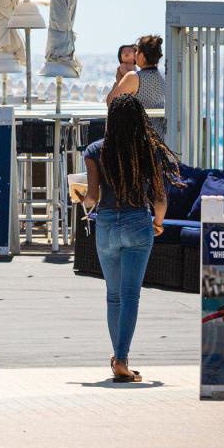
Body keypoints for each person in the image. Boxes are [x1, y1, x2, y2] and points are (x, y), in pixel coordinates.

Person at [81, 94, 181, 383]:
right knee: (130, 295)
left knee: (113, 296)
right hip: (138, 222)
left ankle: (118, 358)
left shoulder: (95, 150)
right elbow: (160, 198)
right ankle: (122, 360)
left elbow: (91, 197)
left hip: (107, 225)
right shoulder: (149, 149)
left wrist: (82, 199)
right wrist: (158, 223)